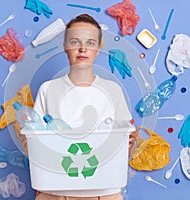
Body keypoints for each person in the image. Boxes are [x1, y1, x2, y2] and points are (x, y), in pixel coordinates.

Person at [32, 14, 138, 200]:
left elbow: (122, 150)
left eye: (90, 43)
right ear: (65, 46)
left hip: (104, 193)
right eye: (75, 42)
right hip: (56, 192)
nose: (82, 49)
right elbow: (36, 147)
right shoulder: (48, 90)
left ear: (98, 48)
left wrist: (130, 142)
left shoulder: (112, 91)